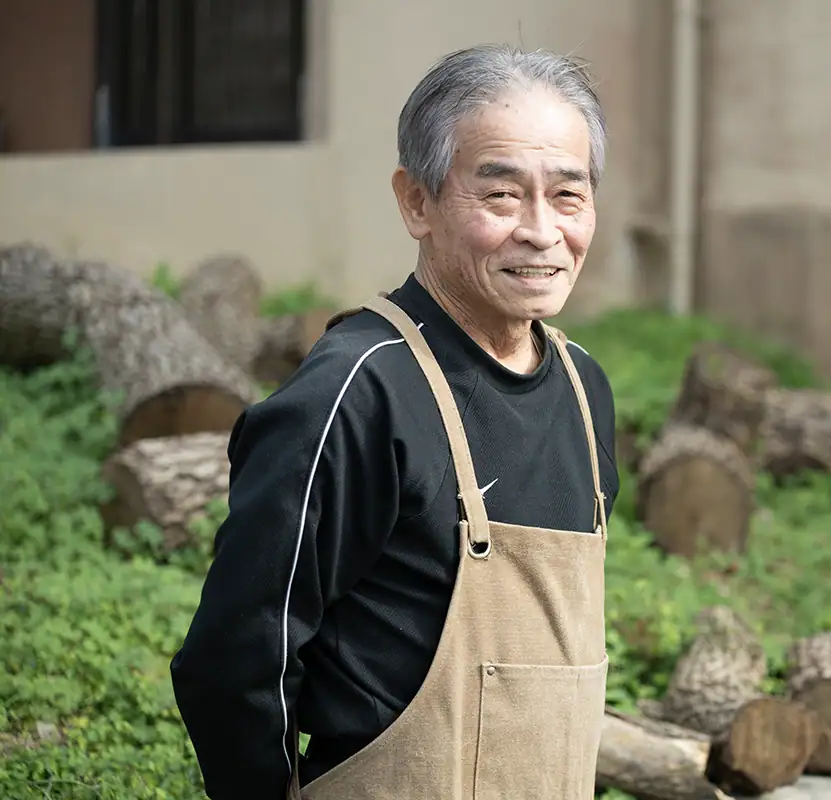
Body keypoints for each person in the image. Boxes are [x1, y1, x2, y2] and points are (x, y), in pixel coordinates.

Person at [169, 43, 619, 800]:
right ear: (417, 202)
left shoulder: (584, 389)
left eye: (568, 196)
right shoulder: (354, 392)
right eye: (502, 196)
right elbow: (234, 662)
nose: (541, 231)